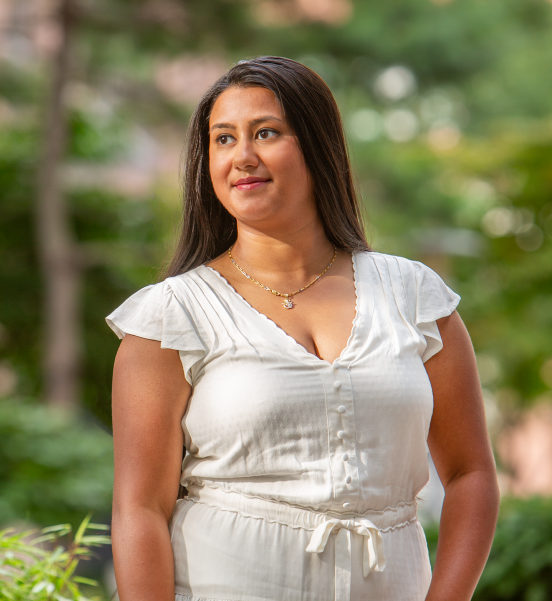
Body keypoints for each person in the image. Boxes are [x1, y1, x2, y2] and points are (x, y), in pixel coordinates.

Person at [106, 56, 499, 601]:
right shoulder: (171, 315)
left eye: (266, 133)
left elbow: (471, 475)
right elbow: (140, 508)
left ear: (317, 146)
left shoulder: (413, 296)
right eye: (223, 139)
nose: (242, 157)